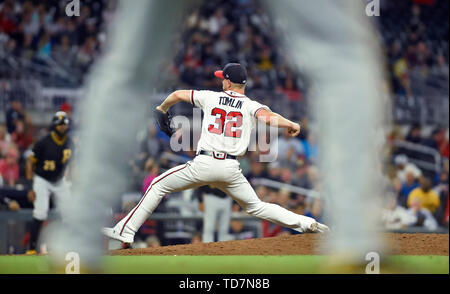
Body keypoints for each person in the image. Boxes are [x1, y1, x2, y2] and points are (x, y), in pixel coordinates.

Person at [103, 63, 329, 245]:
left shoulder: (210, 97)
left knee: (158, 185)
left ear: (228, 82)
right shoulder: (251, 105)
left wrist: (162, 108)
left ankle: (126, 230)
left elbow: (177, 94)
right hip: (231, 169)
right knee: (256, 207)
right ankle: (308, 224)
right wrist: (291, 124)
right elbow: (269, 118)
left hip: (205, 162)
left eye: (223, 77)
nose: (221, 80)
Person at [24, 111, 74, 255]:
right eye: (59, 124)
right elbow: (30, 163)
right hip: (42, 179)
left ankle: (68, 246)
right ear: (54, 125)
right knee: (40, 212)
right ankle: (32, 248)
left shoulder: (70, 142)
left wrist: (73, 181)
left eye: (64, 124)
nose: (62, 127)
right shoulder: (43, 142)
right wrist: (30, 186)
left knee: (70, 214)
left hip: (59, 180)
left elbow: (73, 164)